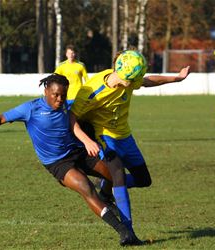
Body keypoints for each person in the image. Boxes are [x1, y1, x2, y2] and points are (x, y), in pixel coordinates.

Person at [0, 74, 143, 246]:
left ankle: (106, 196)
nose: (59, 99)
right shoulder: (30, 109)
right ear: (46, 91)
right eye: (55, 95)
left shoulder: (66, 106)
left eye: (63, 95)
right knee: (86, 187)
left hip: (78, 152)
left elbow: (82, 116)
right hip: (58, 163)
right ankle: (123, 232)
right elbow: (0, 118)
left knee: (114, 174)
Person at [70, 50, 190, 236]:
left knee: (144, 180)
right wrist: (86, 141)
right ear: (121, 72)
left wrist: (177, 78)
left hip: (125, 136)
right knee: (118, 174)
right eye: (133, 79)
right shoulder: (92, 92)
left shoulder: (128, 79)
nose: (135, 83)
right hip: (104, 137)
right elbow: (71, 118)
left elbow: (148, 81)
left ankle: (106, 189)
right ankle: (128, 231)